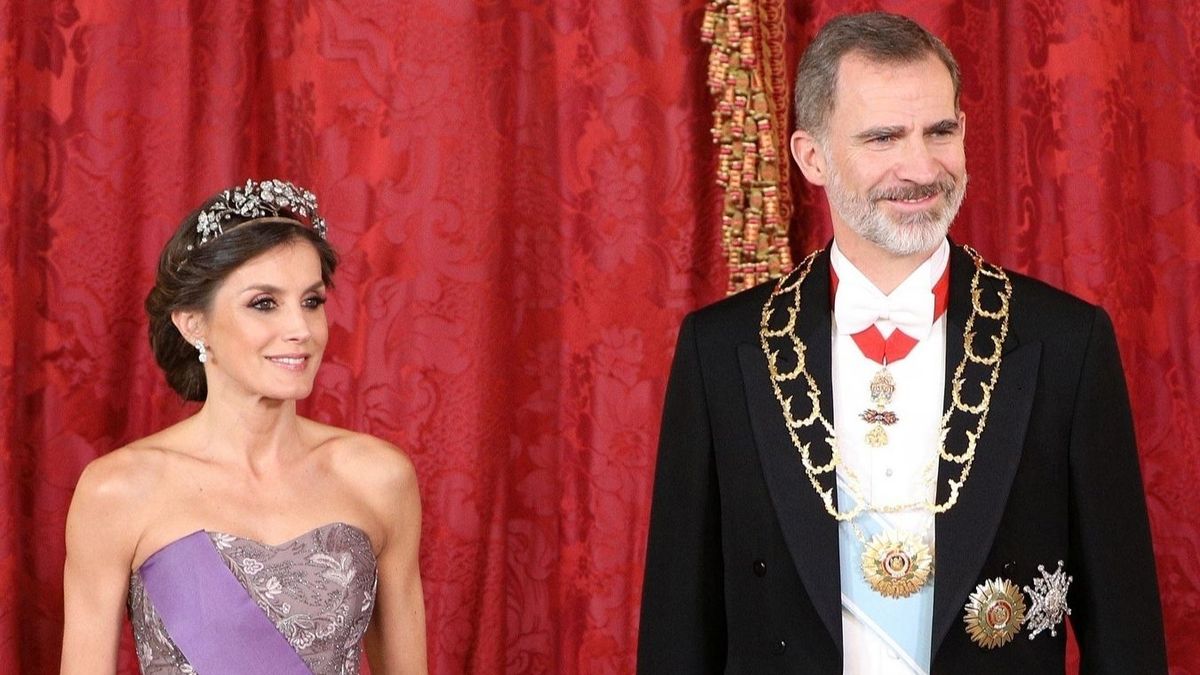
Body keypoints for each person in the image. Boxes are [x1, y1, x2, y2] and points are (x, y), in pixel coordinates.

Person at [638, 12, 1166, 674]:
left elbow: (1127, 636)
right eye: (883, 137)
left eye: (939, 131)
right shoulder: (720, 350)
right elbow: (676, 637)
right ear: (812, 156)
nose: (920, 168)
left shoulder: (1066, 343)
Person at [60, 179, 428, 674]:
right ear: (193, 323)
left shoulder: (378, 478)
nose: (301, 329)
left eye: (312, 301)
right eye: (264, 303)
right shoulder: (119, 490)